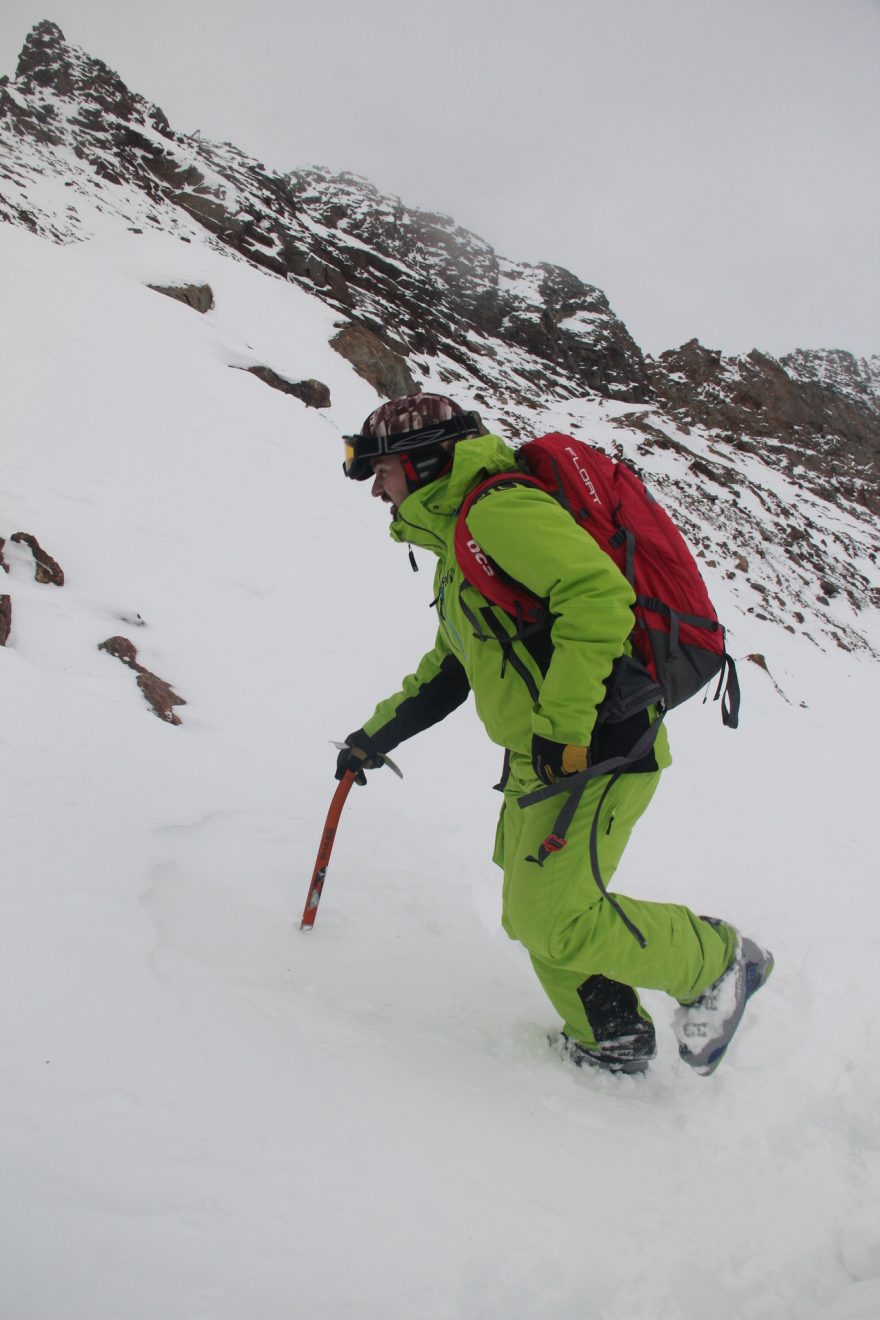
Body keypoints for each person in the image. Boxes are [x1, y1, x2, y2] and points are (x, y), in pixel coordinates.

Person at [336, 392, 772, 1075]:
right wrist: (377, 735)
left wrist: (566, 731)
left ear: (423, 462)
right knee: (529, 905)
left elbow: (598, 598)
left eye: (382, 471)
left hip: (595, 751)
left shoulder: (498, 511)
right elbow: (455, 662)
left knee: (553, 918)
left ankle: (718, 961)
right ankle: (611, 1033)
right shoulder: (462, 541)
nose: (377, 491)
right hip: (543, 757)